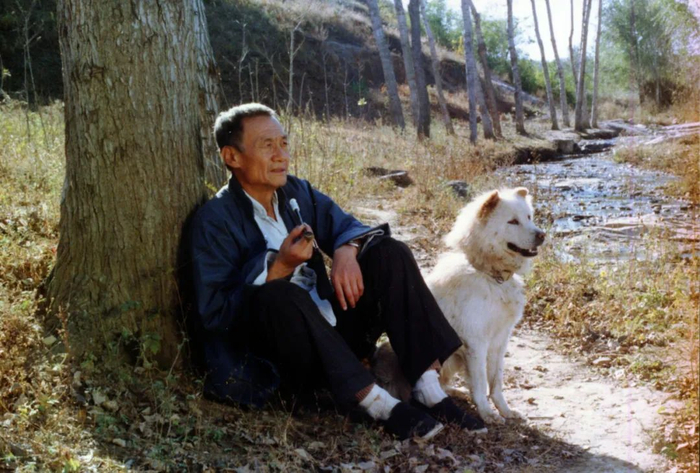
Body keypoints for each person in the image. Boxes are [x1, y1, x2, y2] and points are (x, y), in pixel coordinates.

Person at [189, 103, 484, 439]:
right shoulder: (214, 220)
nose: (281, 155)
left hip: (335, 335)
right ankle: (377, 404)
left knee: (390, 253)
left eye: (283, 143)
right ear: (232, 157)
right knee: (279, 293)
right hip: (284, 357)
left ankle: (428, 389)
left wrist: (347, 250)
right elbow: (216, 314)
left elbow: (346, 226)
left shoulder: (295, 192)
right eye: (267, 145)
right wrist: (279, 268)